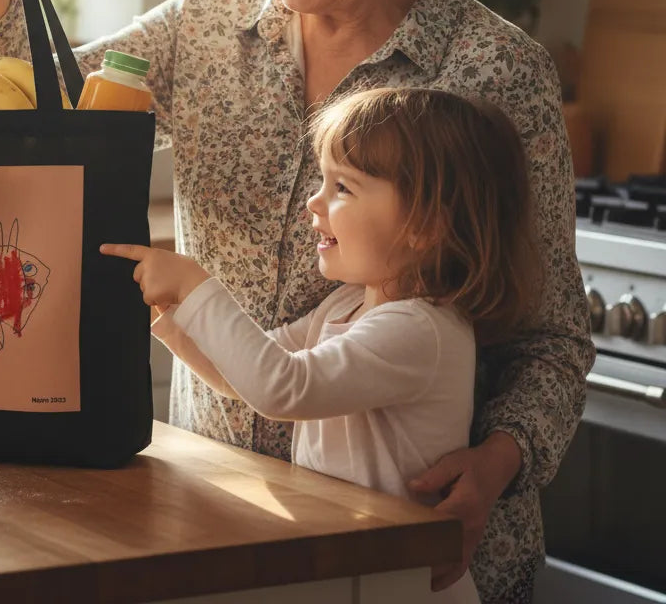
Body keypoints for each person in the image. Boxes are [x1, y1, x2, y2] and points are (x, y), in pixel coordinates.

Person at [0, 0, 594, 604]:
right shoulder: (206, 24)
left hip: (411, 552)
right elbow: (24, 101)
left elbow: (551, 339)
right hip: (218, 521)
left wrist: (496, 463)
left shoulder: (492, 71)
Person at [102, 86, 544, 604]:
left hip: (401, 585)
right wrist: (171, 312)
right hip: (359, 569)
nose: (315, 201)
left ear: (426, 225)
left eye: (343, 188)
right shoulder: (345, 308)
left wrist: (196, 289)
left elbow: (280, 388)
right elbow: (241, 375)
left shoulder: (422, 330)